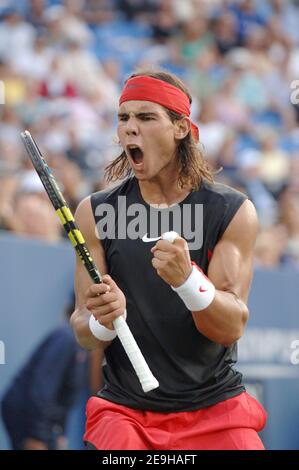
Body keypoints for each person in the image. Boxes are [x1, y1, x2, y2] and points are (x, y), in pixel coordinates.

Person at [70, 70, 267, 450]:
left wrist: (187, 281)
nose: (130, 128)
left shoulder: (232, 210)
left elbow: (231, 326)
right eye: (123, 118)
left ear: (180, 128)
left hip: (216, 411)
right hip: (126, 414)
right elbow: (83, 331)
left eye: (146, 117)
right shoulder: (94, 212)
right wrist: (103, 320)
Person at [1, 299, 89, 450]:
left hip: (44, 422)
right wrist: (36, 437)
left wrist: (61, 433)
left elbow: (63, 400)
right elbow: (41, 390)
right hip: (26, 417)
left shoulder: (81, 348)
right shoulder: (66, 338)